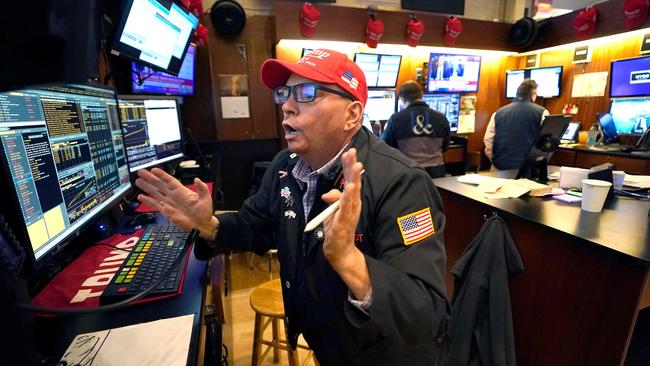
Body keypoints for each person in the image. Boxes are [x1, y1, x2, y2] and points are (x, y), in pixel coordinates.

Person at [135, 49, 449, 365]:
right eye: (285, 93)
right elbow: (253, 225)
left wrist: (348, 259)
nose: (286, 106)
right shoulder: (285, 165)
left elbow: (425, 314)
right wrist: (209, 225)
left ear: (352, 115)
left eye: (306, 93)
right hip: (327, 346)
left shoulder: (403, 183)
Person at [381, 80, 450, 178]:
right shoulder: (441, 118)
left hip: (409, 175)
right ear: (421, 94)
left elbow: (386, 147)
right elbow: (445, 147)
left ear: (402, 98)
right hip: (437, 175)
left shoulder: (396, 119)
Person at [484, 79, 549, 170]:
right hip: (527, 169)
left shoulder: (498, 113)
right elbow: (546, 141)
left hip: (499, 168)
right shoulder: (542, 112)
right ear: (533, 94)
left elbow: (488, 140)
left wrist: (495, 161)